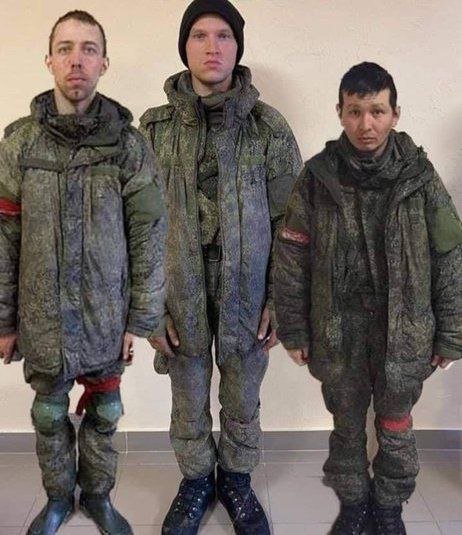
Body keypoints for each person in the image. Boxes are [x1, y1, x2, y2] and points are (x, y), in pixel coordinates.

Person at [274, 62, 462, 535]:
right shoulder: (317, 178)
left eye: (377, 111)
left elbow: (449, 255)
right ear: (339, 112)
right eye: (355, 111)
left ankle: (389, 507)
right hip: (337, 329)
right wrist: (293, 328)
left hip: (405, 331)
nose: (366, 124)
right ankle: (354, 503)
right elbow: (292, 256)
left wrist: (452, 332)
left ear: (396, 114)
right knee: (347, 422)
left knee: (396, 423)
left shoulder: (421, 177)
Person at [0, 10, 165, 535]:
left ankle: (97, 496)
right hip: (42, 318)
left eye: (89, 49)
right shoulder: (19, 145)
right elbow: (3, 239)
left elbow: (149, 234)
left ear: (104, 63)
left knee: (105, 413)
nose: (77, 60)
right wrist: (4, 320)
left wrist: (140, 318)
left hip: (104, 317)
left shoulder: (129, 146)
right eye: (66, 48)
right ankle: (56, 499)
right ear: (48, 60)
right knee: (49, 416)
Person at [140, 0, 301, 533]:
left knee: (242, 393)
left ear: (238, 47)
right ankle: (194, 482)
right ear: (184, 47)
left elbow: (295, 224)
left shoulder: (267, 127)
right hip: (177, 290)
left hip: (248, 292)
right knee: (187, 392)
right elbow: (134, 225)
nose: (212, 47)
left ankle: (236, 479)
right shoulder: (154, 130)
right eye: (200, 36)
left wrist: (281, 298)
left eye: (224, 36)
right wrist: (148, 307)